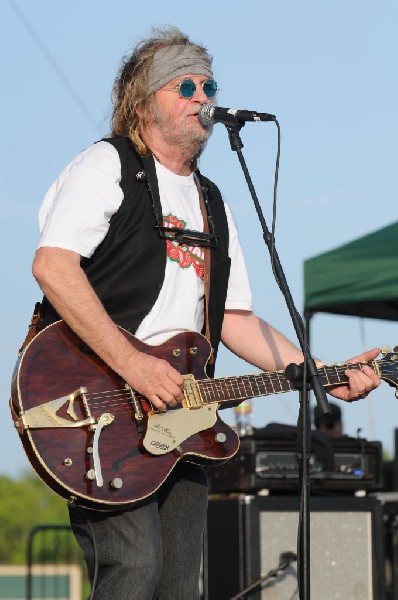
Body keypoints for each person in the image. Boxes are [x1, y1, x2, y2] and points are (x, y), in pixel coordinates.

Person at [31, 26, 381, 600]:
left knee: (178, 585)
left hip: (184, 413)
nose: (204, 97)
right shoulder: (107, 167)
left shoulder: (212, 200)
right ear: (143, 101)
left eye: (209, 84)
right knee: (134, 567)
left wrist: (325, 372)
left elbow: (235, 320)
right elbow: (53, 267)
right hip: (96, 401)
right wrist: (134, 365)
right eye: (185, 85)